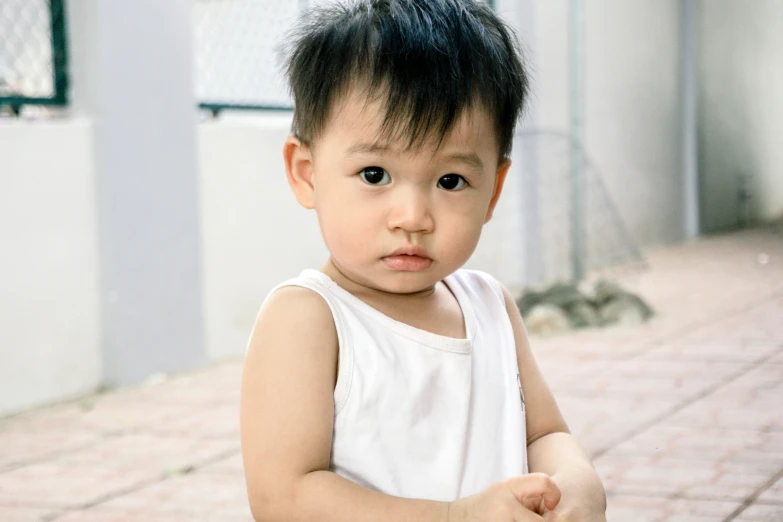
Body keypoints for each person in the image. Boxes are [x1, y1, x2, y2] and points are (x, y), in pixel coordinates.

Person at [240, 0, 607, 520]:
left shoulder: (490, 306)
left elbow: (545, 432)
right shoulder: (309, 319)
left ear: (494, 190)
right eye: (375, 174)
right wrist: (455, 516)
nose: (412, 216)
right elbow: (285, 497)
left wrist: (578, 481)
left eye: (450, 181)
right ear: (305, 172)